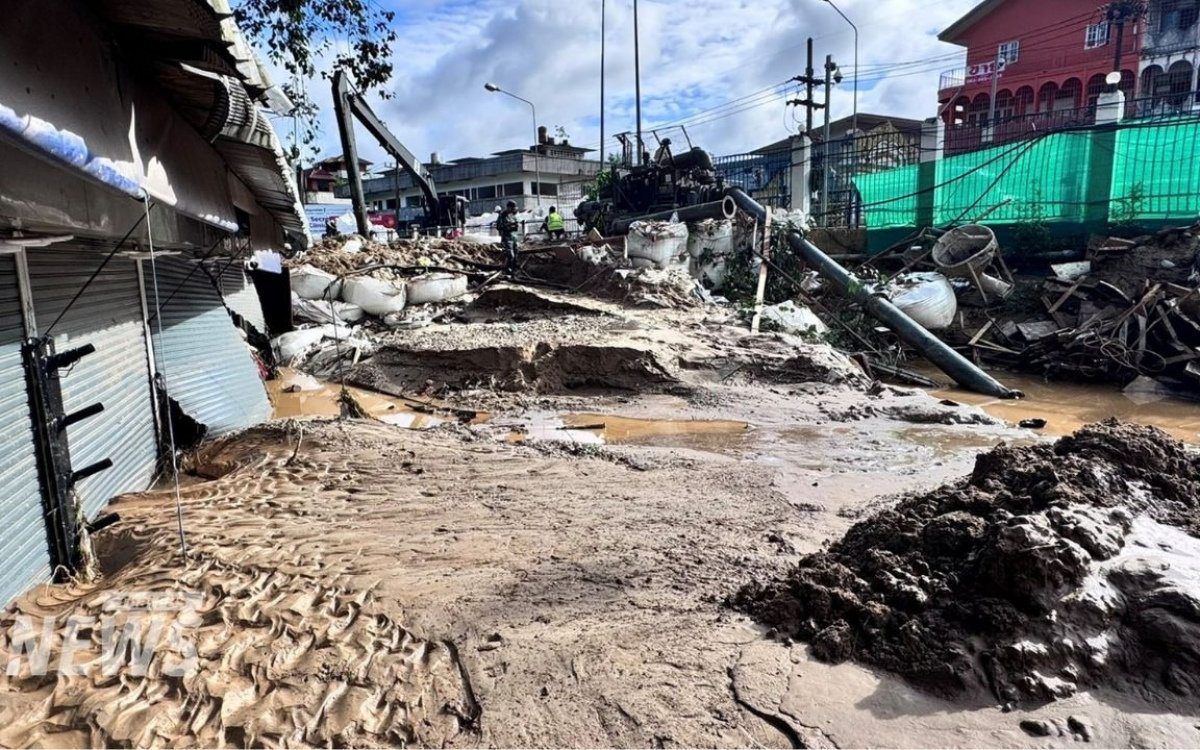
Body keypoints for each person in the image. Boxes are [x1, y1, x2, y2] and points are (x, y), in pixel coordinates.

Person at [496, 200, 521, 275]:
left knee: (516, 254)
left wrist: (515, 225)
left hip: (514, 237)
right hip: (507, 238)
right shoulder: (502, 215)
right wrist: (508, 226)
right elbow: (498, 226)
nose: (513, 210)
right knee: (510, 255)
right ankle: (508, 270)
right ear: (508, 207)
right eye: (512, 208)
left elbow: (516, 225)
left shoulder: (513, 215)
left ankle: (514, 270)